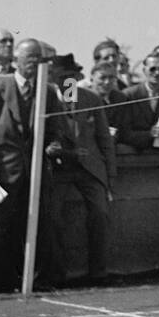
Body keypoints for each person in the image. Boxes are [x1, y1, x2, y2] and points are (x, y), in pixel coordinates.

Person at [0, 38, 65, 296]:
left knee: (39, 227)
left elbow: (57, 130)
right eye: (30, 58)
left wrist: (53, 145)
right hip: (0, 173)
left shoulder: (49, 92)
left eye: (39, 59)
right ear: (17, 61)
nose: (35, 64)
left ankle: (35, 280)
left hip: (35, 174)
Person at [46, 53, 116, 285]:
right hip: (58, 170)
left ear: (78, 77)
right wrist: (51, 149)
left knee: (100, 213)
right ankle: (57, 274)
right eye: (63, 77)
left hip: (90, 169)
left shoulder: (91, 99)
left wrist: (110, 179)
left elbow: (105, 140)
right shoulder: (43, 100)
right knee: (52, 217)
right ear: (54, 79)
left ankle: (99, 272)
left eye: (72, 77)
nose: (68, 82)